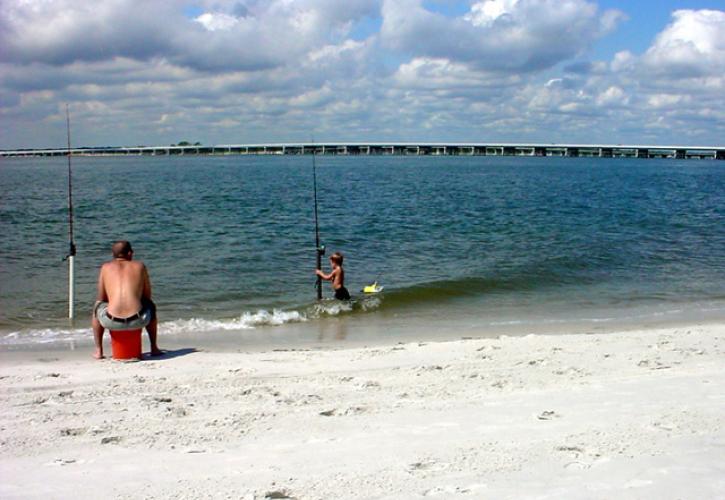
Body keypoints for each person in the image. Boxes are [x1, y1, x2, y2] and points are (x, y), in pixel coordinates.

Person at [91, 240, 161, 359]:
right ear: (129, 253)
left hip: (111, 321)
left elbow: (102, 298)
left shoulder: (105, 267)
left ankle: (99, 350)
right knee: (150, 305)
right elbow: (147, 296)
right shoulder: (140, 266)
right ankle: (154, 347)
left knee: (97, 308)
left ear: (113, 254)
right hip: (138, 320)